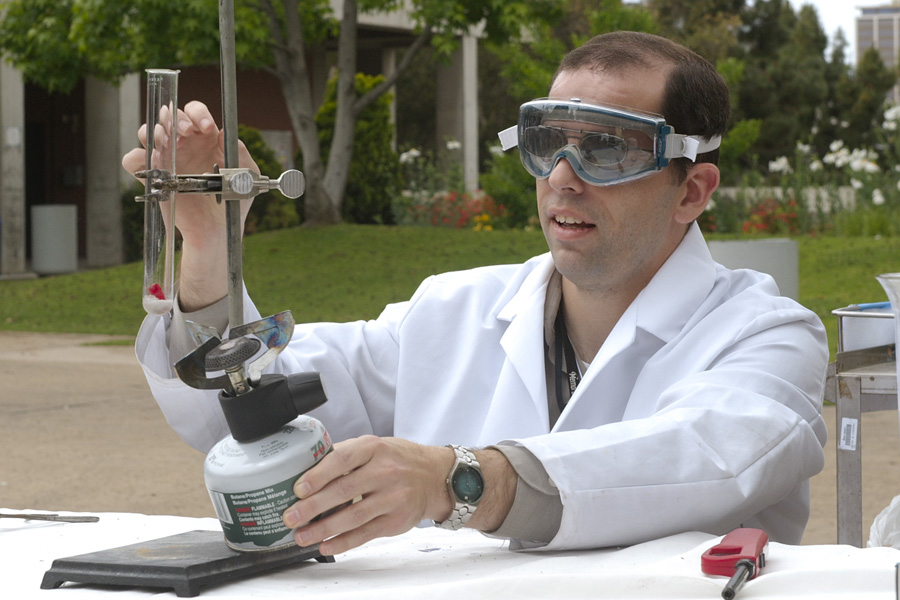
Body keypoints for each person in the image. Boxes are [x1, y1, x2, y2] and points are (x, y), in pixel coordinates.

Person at [125, 31, 828, 556]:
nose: (562, 176)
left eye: (607, 149)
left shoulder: (765, 334)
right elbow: (245, 410)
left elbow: (709, 456)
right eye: (547, 140)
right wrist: (210, 248)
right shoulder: (449, 311)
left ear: (692, 190)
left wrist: (457, 481)